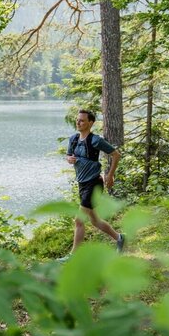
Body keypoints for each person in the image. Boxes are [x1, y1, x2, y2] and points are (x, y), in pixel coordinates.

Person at [64, 109, 124, 257]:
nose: (78, 122)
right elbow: (69, 156)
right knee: (95, 221)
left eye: (82, 120)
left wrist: (110, 175)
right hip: (82, 184)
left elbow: (116, 155)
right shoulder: (73, 139)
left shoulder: (95, 140)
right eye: (77, 120)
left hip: (94, 183)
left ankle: (73, 256)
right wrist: (69, 159)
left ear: (90, 123)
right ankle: (120, 238)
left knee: (79, 220)